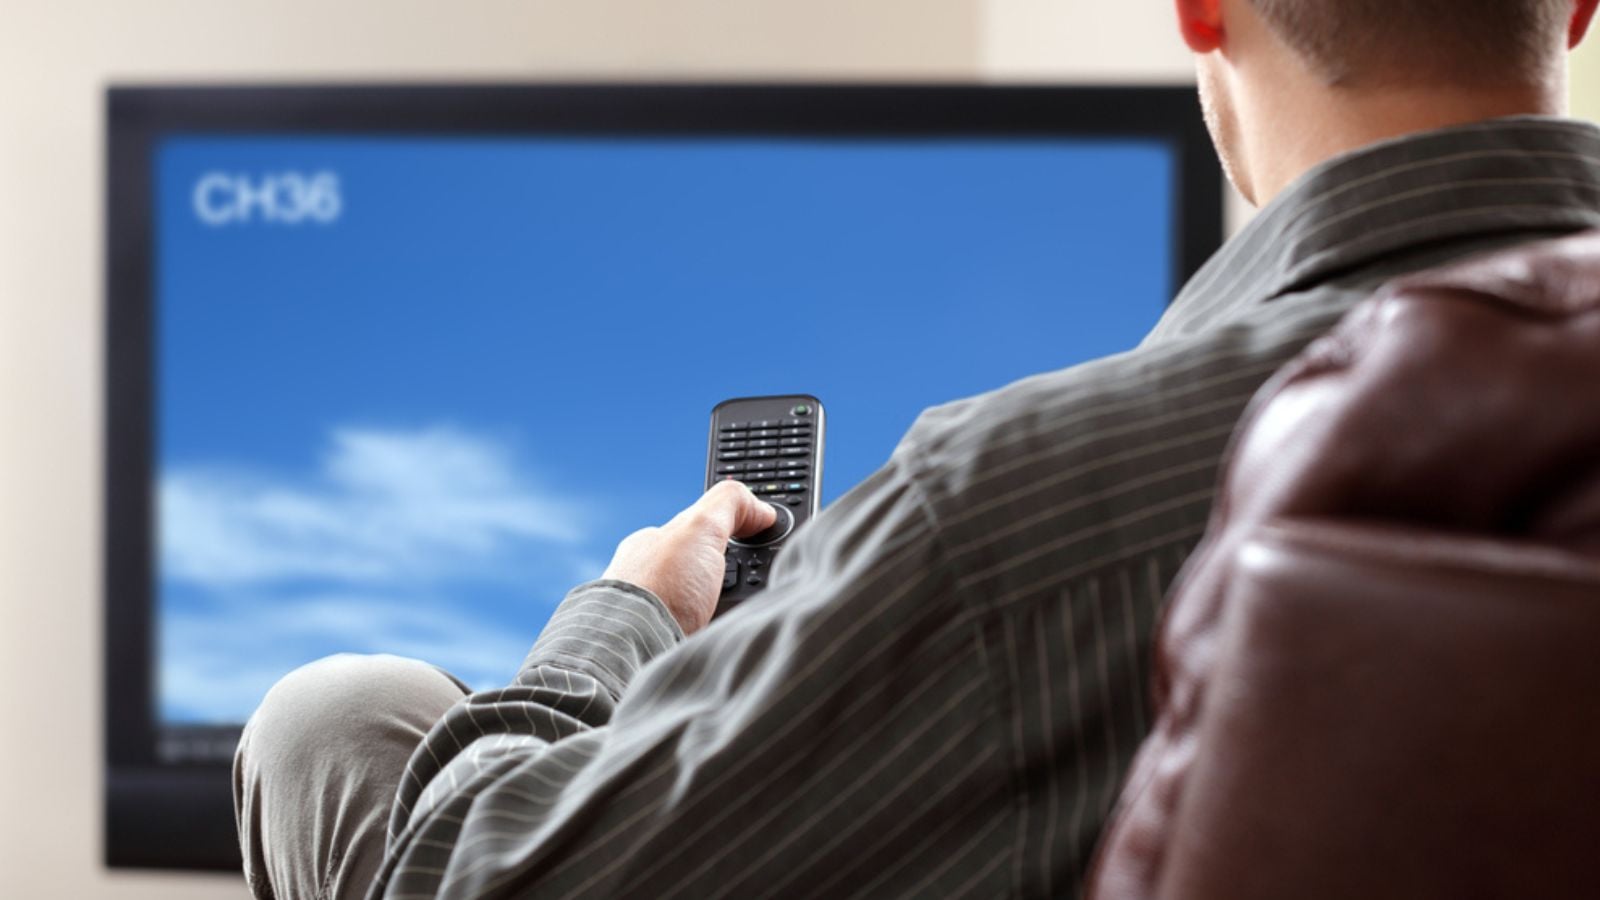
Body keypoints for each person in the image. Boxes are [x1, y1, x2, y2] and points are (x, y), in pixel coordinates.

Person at [235, 1, 1600, 897]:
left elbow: (474, 882)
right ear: (1579, 8)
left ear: (1199, 10)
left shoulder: (1021, 509)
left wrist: (625, 620)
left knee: (337, 721)